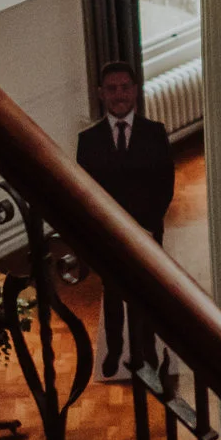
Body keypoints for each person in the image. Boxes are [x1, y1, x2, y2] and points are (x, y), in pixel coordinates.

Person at [74, 62, 175, 380]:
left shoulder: (155, 133)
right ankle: (116, 351)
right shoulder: (88, 141)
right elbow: (85, 191)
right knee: (114, 292)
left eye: (124, 87)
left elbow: (165, 184)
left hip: (146, 229)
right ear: (101, 95)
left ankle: (147, 351)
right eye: (112, 89)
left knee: (145, 293)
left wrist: (148, 224)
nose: (119, 95)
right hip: (108, 235)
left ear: (135, 90)